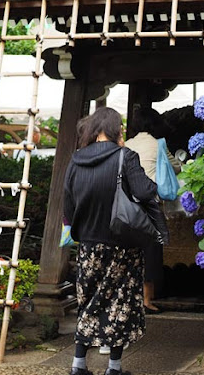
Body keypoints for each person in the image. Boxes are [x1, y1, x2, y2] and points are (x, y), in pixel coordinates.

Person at [63, 106, 169, 375]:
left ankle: (78, 365)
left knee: (88, 301)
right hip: (122, 244)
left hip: (88, 244)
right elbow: (146, 191)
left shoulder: (76, 159)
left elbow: (68, 205)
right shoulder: (125, 156)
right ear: (115, 130)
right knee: (120, 302)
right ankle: (114, 368)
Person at [124, 106, 181, 314]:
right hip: (150, 204)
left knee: (131, 250)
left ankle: (131, 297)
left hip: (128, 205)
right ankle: (147, 300)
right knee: (151, 252)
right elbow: (176, 167)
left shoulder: (127, 144)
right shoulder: (158, 145)